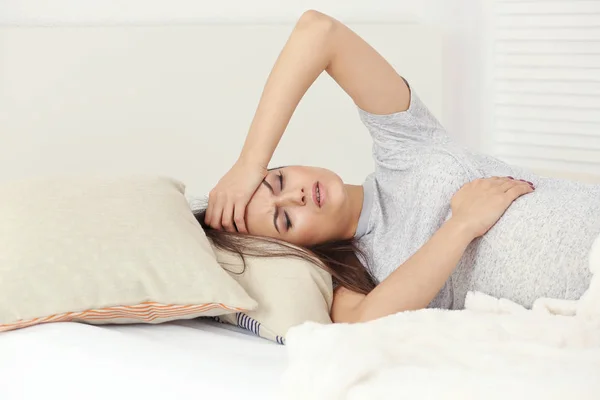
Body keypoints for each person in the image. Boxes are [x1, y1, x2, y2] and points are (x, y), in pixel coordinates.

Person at [197, 10, 600, 324]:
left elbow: (319, 31)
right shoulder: (363, 275)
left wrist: (250, 163)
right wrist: (460, 225)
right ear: (296, 249)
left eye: (278, 180)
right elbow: (366, 322)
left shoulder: (402, 146)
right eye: (285, 219)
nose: (296, 195)